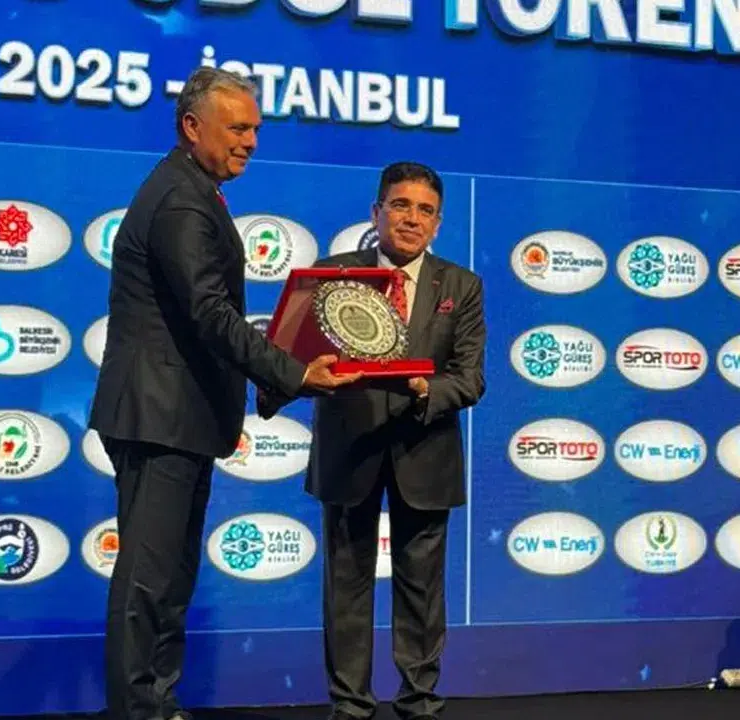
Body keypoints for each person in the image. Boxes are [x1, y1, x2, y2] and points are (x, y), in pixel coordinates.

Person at [87, 66, 362, 720]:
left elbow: (206, 319)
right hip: (158, 417)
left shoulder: (191, 190)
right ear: (192, 126)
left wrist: (274, 376)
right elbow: (210, 314)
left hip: (177, 415)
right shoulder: (182, 200)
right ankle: (138, 711)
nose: (250, 141)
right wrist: (292, 372)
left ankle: (158, 703)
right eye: (237, 128)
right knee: (149, 581)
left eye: (255, 129)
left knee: (170, 579)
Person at [260, 162, 486, 720]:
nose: (412, 219)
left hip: (425, 450)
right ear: (376, 212)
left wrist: (425, 388)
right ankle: (350, 706)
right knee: (346, 589)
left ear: (438, 223)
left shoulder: (461, 285)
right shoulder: (330, 276)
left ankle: (419, 703)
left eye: (426, 211)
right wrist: (280, 389)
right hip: (349, 449)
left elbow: (470, 378)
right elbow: (288, 357)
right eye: (400, 205)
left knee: (422, 591)